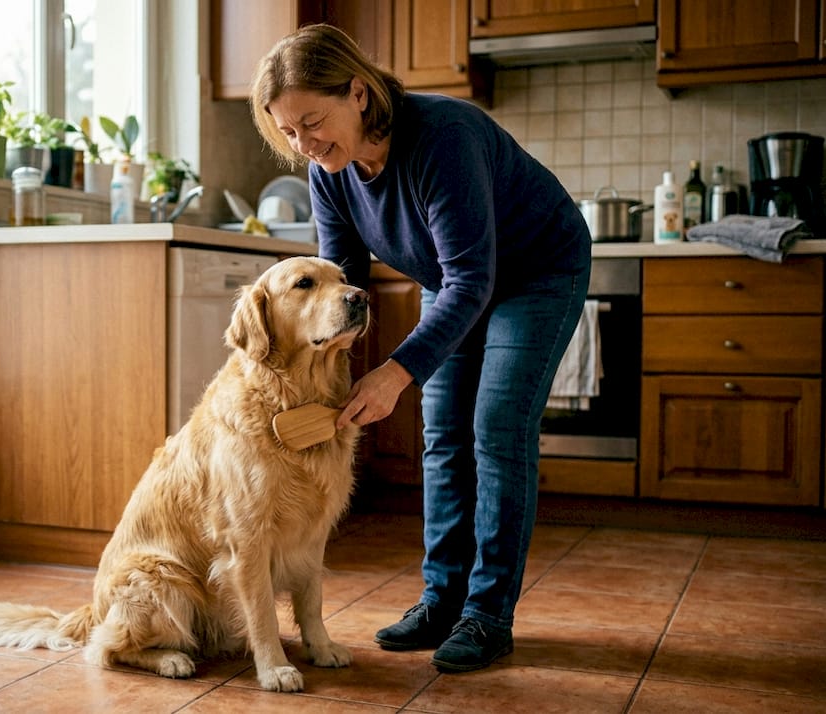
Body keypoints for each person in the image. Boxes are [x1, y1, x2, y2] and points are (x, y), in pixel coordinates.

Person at [248, 24, 591, 674]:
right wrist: (304, 370)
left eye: (312, 122)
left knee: (494, 428)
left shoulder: (442, 137)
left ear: (357, 92)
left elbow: (474, 280)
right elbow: (340, 289)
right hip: (453, 278)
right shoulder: (331, 172)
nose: (305, 144)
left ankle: (487, 614)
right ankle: (440, 601)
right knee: (442, 436)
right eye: (288, 133)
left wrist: (395, 372)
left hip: (537, 269)